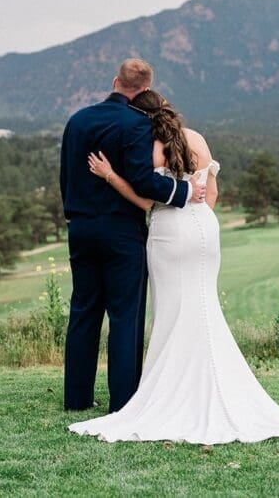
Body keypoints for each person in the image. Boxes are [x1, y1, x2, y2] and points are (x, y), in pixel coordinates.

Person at [67, 89, 279, 443]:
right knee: (203, 306)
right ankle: (213, 385)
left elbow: (146, 200)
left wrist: (109, 176)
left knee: (173, 311)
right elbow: (210, 195)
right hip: (204, 230)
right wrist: (196, 220)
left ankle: (175, 391)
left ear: (143, 117)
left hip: (169, 231)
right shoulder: (197, 139)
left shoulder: (150, 145)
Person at [59, 59, 206, 412]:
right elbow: (142, 180)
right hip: (121, 231)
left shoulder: (76, 120)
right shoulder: (137, 123)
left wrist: (74, 216)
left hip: (80, 227)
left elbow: (66, 176)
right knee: (125, 315)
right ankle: (123, 402)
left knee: (83, 311)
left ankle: (76, 400)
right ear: (145, 90)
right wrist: (185, 193)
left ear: (115, 82)